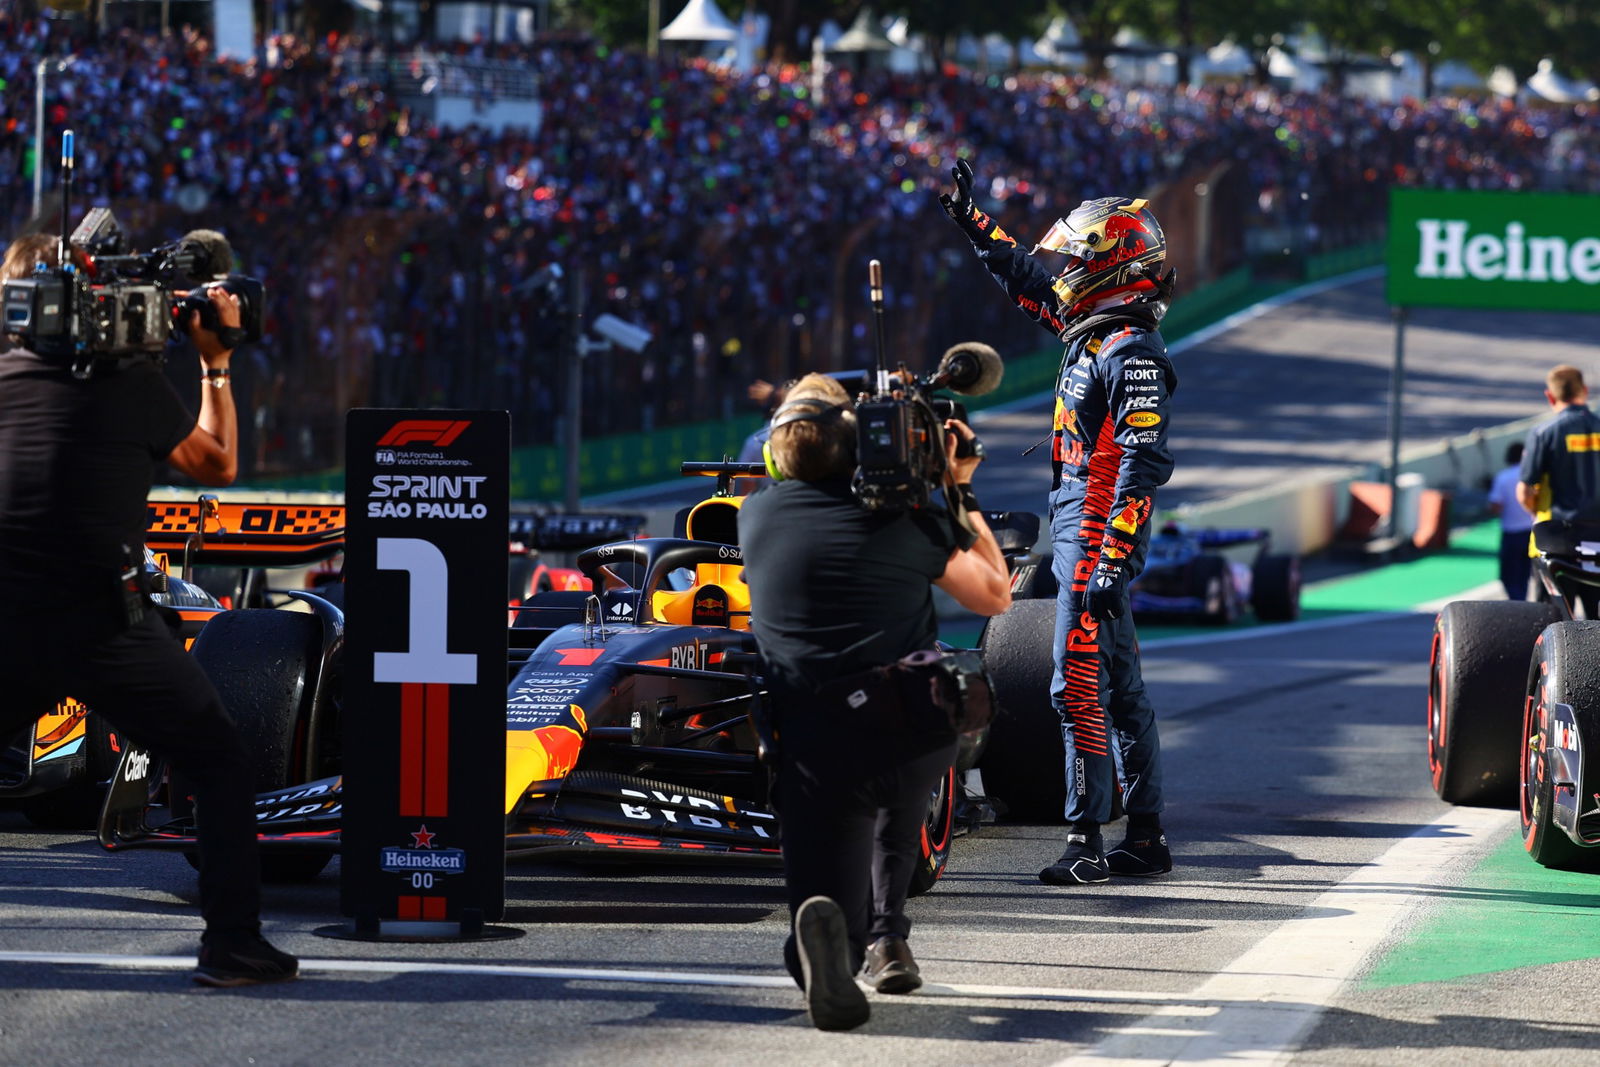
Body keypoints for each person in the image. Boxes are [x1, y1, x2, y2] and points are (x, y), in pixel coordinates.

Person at [0, 232, 298, 986]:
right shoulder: (129, 384)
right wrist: (214, 358)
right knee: (217, 761)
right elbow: (217, 461)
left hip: (8, 615)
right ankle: (232, 944)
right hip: (104, 624)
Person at [736, 373, 1011, 1031]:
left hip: (811, 743)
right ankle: (887, 933)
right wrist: (953, 485)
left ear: (776, 456)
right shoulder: (910, 517)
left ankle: (838, 949)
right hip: (912, 735)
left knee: (822, 901)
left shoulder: (757, 517)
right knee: (904, 770)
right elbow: (996, 593)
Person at [940, 158, 1178, 885]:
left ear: (1117, 260)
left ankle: (1085, 841)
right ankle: (1145, 834)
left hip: (1098, 529)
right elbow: (1025, 280)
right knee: (1122, 683)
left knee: (1073, 681)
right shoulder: (1091, 329)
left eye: (1080, 255)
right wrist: (973, 221)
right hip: (1079, 523)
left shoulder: (1131, 350)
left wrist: (1112, 556)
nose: (1067, 268)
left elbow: (1145, 462)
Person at [1518, 364, 1600, 617]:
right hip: (1597, 540)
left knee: (1553, 623)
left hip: (1556, 540)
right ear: (1584, 391)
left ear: (1550, 396)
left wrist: (1533, 509)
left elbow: (1524, 491)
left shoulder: (1544, 432)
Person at [1486, 441, 1533, 600]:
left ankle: (1518, 604)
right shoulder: (1533, 475)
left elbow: (1496, 506)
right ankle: (1523, 602)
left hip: (1511, 532)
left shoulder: (1503, 477)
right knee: (1524, 575)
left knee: (1509, 576)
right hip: (1531, 532)